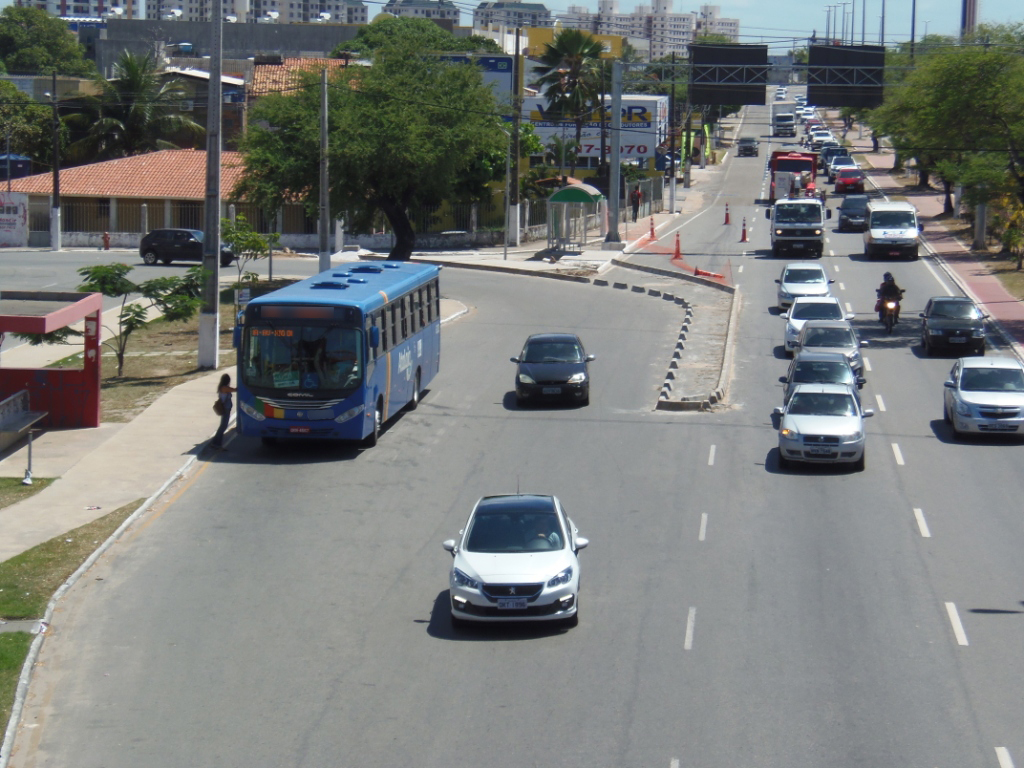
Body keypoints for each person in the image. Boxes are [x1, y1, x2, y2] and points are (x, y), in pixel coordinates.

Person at [211, 373, 236, 449]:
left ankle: (215, 442)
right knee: (223, 426)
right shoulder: (224, 388)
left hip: (226, 408)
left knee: (223, 425)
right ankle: (217, 443)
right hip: (225, 408)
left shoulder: (222, 387)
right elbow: (234, 390)